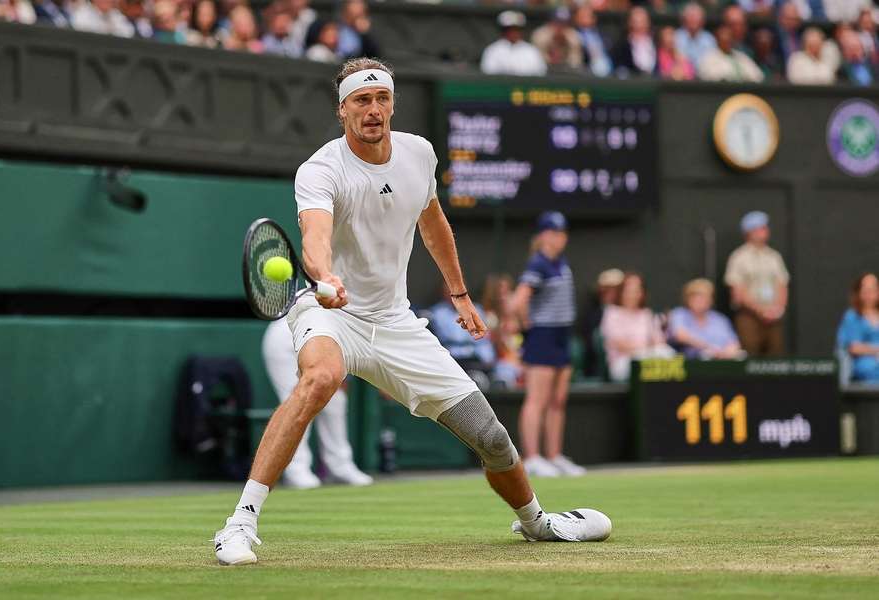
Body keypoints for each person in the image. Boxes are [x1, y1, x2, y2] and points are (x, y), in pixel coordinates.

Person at [211, 58, 611, 566]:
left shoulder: (419, 154)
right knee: (321, 378)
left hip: (395, 322)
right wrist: (326, 277)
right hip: (330, 310)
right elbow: (313, 239)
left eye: (381, 99)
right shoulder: (320, 169)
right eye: (361, 100)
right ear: (343, 111)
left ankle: (538, 523)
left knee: (490, 437)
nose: (373, 110)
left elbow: (433, 223)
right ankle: (239, 525)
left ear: (392, 104)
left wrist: (460, 294)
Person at [510, 211, 585, 478]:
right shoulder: (538, 264)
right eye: (553, 233)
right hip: (543, 336)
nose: (558, 238)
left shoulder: (559, 262)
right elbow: (517, 302)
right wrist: (527, 324)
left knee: (557, 400)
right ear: (542, 235)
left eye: (562, 233)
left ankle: (553, 455)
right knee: (537, 400)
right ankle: (532, 457)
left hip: (562, 336)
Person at [262, 318, 373, 489]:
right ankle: (296, 470)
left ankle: (340, 466)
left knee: (336, 400)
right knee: (298, 401)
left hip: (320, 339)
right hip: (286, 338)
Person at [724, 211, 789, 357]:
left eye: (765, 227)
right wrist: (760, 310)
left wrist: (778, 309)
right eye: (760, 228)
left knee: (775, 357)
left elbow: (782, 284)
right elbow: (737, 291)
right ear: (749, 232)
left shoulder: (774, 256)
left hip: (774, 316)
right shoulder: (738, 257)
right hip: (749, 316)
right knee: (750, 356)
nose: (765, 231)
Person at [601, 271, 674, 382]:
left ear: (642, 293)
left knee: (667, 353)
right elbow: (619, 344)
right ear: (621, 292)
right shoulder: (611, 313)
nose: (632, 295)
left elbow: (659, 342)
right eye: (628, 291)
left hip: (649, 359)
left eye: (636, 291)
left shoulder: (647, 314)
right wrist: (647, 348)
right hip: (622, 363)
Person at [428, 282, 497, 375]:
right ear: (443, 293)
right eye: (448, 291)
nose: (452, 294)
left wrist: (488, 358)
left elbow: (484, 339)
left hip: (474, 356)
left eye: (455, 291)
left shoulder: (477, 309)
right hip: (450, 357)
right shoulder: (437, 313)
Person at [668, 279, 743, 360]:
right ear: (688, 299)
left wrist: (727, 351)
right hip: (693, 360)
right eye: (697, 298)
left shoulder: (719, 319)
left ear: (711, 300)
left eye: (704, 298)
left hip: (723, 358)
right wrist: (710, 348)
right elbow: (681, 336)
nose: (701, 302)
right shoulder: (679, 314)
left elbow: (734, 342)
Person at [580, 268, 624, 379]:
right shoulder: (592, 313)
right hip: (597, 365)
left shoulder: (630, 313)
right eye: (607, 289)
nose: (611, 293)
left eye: (616, 289)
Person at [837, 272, 879, 383]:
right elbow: (854, 347)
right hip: (865, 365)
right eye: (866, 290)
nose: (870, 294)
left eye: (873, 290)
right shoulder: (852, 316)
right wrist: (876, 350)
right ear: (859, 292)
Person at [480, 10, 547, 76]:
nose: (513, 33)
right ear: (503, 31)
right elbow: (488, 73)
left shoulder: (531, 50)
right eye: (510, 29)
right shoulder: (493, 50)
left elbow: (541, 73)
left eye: (517, 29)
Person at [698, 24, 764, 82]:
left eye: (729, 37)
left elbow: (758, 76)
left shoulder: (741, 56)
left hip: (745, 93)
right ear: (717, 39)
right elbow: (708, 76)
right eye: (724, 38)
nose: (727, 40)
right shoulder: (709, 57)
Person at [531, 6, 583, 72]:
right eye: (557, 22)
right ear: (551, 21)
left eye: (564, 22)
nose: (560, 25)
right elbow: (536, 58)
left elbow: (576, 62)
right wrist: (553, 37)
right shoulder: (540, 34)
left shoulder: (573, 35)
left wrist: (565, 40)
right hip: (544, 71)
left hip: (567, 71)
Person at [612, 6, 657, 76]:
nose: (639, 26)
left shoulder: (656, 42)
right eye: (636, 22)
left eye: (643, 21)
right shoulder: (621, 46)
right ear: (629, 23)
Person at [573, 3, 612, 77]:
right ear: (576, 18)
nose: (586, 18)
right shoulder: (574, 33)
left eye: (589, 16)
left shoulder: (601, 33)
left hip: (607, 66)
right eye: (583, 16)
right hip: (587, 67)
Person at [675, 2, 716, 70]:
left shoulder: (709, 39)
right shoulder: (676, 37)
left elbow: (711, 61)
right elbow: (678, 59)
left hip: (705, 74)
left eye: (696, 16)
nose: (693, 19)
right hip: (684, 75)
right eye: (691, 16)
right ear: (684, 19)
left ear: (702, 20)